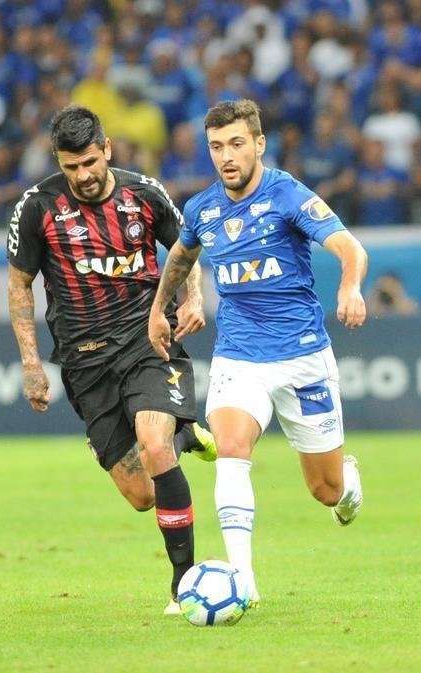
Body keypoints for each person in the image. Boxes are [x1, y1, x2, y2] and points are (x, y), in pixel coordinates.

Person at [147, 99, 367, 605]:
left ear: (259, 145)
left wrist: (350, 289)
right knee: (230, 447)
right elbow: (181, 257)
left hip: (302, 359)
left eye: (237, 144)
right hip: (239, 356)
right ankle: (242, 581)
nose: (227, 156)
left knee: (326, 491)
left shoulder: (287, 194)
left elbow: (350, 249)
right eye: (217, 147)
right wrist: (160, 308)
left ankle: (347, 479)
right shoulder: (203, 209)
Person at [6, 106, 217, 614]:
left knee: (153, 442)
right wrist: (31, 364)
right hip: (84, 362)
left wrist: (191, 299)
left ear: (106, 149)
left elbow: (186, 249)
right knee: (142, 494)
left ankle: (184, 582)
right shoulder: (36, 207)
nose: (81, 175)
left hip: (147, 341)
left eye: (89, 162)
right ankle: (185, 432)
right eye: (70, 166)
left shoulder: (143, 194)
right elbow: (19, 285)